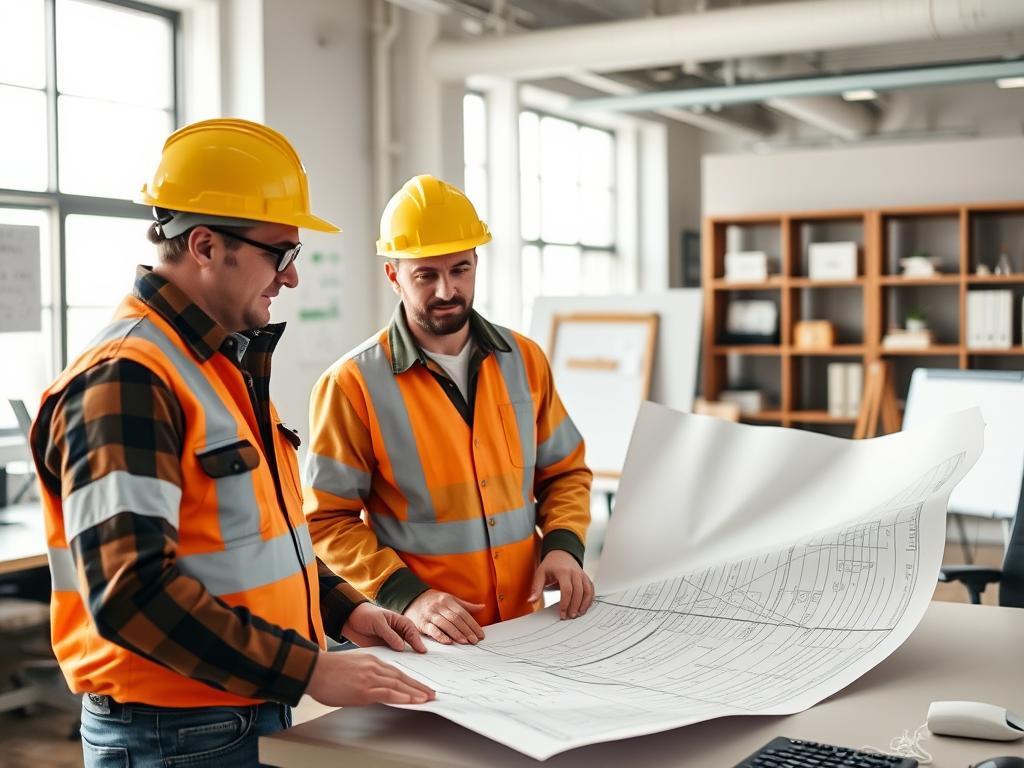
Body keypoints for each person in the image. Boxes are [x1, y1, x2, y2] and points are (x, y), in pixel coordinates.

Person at [29, 119, 434, 768]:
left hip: (235, 712)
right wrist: (310, 672)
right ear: (206, 245)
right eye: (282, 254)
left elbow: (254, 543)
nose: (291, 279)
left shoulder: (218, 364)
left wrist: (343, 611)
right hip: (171, 734)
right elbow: (131, 596)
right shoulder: (129, 378)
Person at [304, 174, 594, 647]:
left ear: (476, 263)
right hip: (426, 638)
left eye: (460, 269)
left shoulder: (525, 360)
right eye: (426, 275)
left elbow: (565, 472)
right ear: (393, 275)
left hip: (528, 629)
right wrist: (408, 597)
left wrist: (564, 546)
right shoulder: (352, 384)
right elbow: (325, 522)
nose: (446, 290)